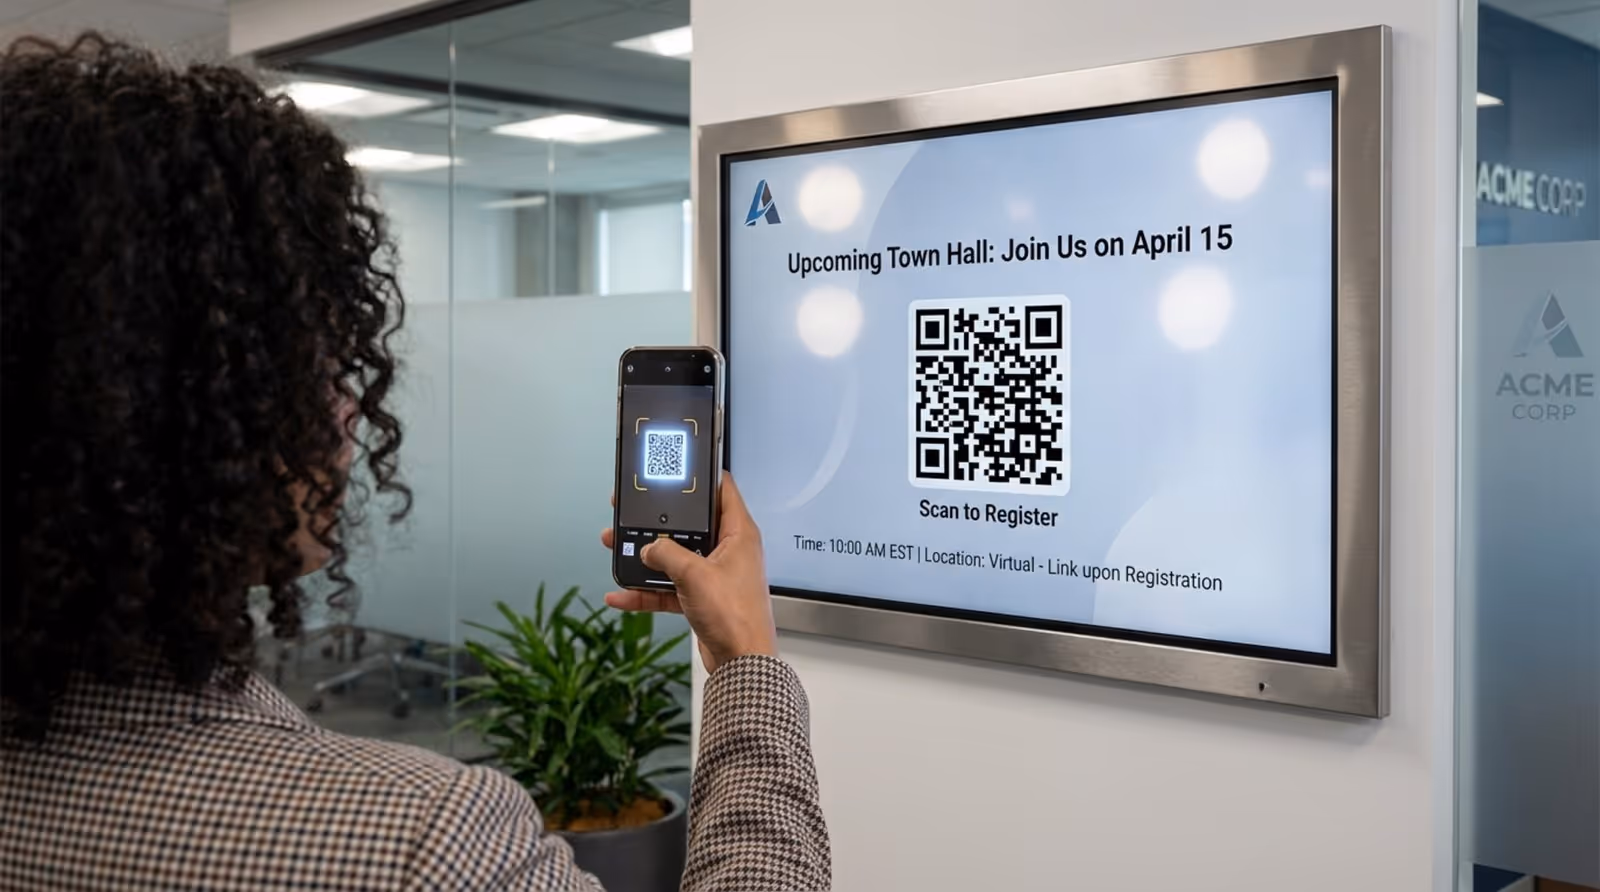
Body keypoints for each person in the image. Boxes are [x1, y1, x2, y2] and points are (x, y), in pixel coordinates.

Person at [0, 33, 829, 891]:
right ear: (185, 419)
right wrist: (744, 665)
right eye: (316, 365)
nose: (349, 404)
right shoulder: (420, 846)